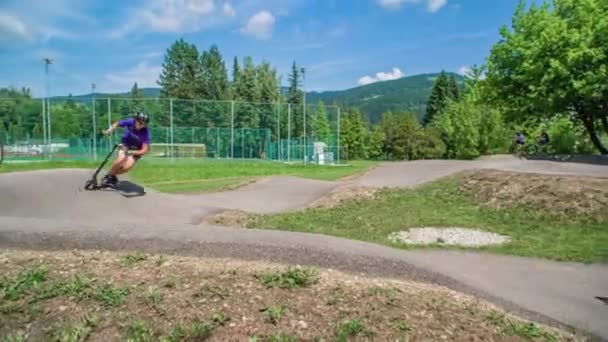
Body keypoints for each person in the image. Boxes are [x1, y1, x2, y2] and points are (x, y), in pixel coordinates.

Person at [101, 112, 150, 188]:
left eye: (144, 124)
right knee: (120, 160)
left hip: (135, 151)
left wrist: (131, 152)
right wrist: (109, 130)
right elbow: (117, 123)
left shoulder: (145, 132)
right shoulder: (131, 121)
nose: (142, 126)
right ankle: (107, 177)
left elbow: (144, 150)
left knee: (125, 168)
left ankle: (112, 176)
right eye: (140, 123)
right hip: (125, 146)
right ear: (136, 120)